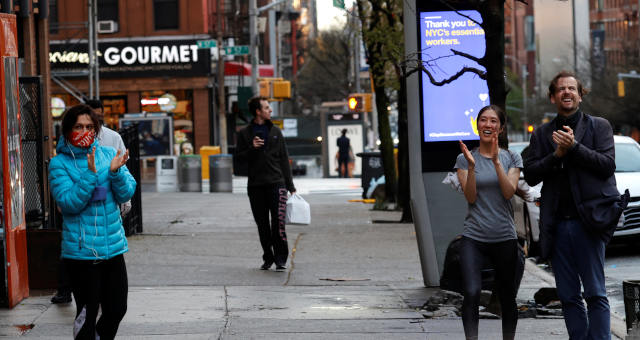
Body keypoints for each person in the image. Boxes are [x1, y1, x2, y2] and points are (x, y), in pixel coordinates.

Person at [524, 71, 625, 339]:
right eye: (561, 89)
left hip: (589, 223)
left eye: (572, 88)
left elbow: (607, 166)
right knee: (568, 296)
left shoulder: (599, 126)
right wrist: (556, 155)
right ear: (552, 96)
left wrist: (575, 147)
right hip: (557, 225)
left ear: (580, 95)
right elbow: (531, 173)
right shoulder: (543, 134)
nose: (567, 92)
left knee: (595, 293)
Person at [49, 104, 137, 339]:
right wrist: (90, 175)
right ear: (67, 130)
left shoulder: (109, 154)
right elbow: (68, 203)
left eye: (89, 126)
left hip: (112, 248)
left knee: (117, 308)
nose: (84, 130)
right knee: (86, 315)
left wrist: (117, 173)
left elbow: (127, 192)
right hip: (82, 253)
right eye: (78, 126)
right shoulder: (59, 164)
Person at [455, 105, 522, 340]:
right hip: (474, 236)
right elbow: (471, 197)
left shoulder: (512, 157)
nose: (488, 125)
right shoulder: (463, 159)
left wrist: (495, 162)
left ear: (500, 128)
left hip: (504, 236)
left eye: (493, 121)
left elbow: (508, 192)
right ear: (477, 125)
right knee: (472, 292)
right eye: (483, 120)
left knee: (507, 296)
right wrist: (472, 167)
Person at [236, 96, 296, 272]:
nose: (270, 110)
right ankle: (268, 257)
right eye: (267, 108)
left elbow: (284, 159)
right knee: (262, 225)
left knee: (278, 223)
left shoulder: (276, 131)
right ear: (258, 111)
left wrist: (290, 185)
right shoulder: (245, 134)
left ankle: (281, 258)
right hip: (255, 186)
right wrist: (252, 149)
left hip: (277, 184)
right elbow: (239, 160)